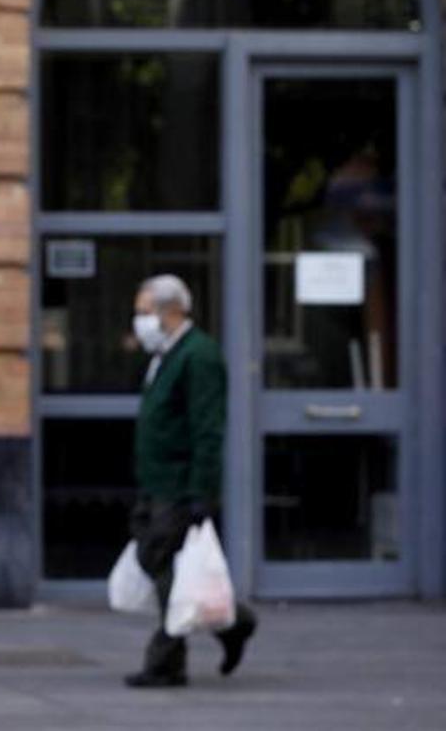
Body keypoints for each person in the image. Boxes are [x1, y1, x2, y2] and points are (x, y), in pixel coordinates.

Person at [124, 274, 257, 688]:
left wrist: (202, 491)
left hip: (179, 484)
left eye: (145, 312)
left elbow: (207, 429)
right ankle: (233, 623)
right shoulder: (167, 353)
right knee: (154, 560)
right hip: (157, 479)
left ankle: (165, 662)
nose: (139, 321)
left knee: (163, 562)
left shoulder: (198, 356)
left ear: (172, 310)